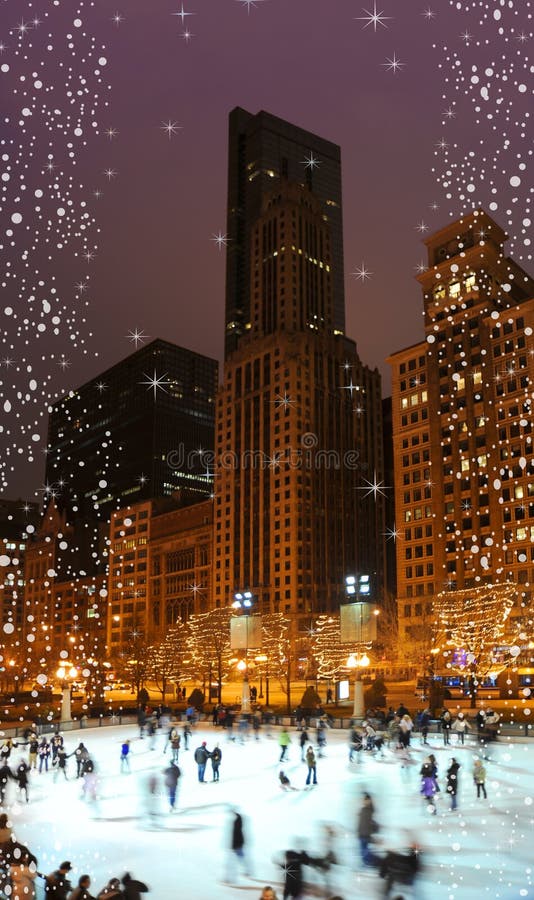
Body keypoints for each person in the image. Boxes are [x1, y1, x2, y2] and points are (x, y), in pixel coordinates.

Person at [225, 810, 250, 884]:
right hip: (238, 845)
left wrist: (233, 846)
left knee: (232, 862)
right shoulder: (238, 824)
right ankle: (247, 871)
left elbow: (236, 837)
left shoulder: (237, 825)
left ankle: (230, 879)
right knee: (240, 859)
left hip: (237, 846)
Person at [357, 792, 379, 867]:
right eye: (364, 800)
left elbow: (373, 807)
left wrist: (369, 796)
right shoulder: (362, 809)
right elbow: (360, 823)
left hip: (366, 835)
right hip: (361, 835)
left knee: (365, 852)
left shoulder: (370, 810)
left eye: (366, 800)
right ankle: (368, 864)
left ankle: (373, 863)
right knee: (363, 853)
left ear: (369, 801)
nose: (364, 801)